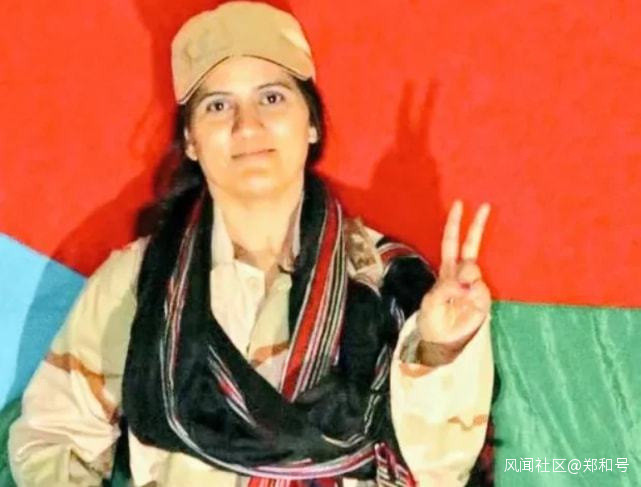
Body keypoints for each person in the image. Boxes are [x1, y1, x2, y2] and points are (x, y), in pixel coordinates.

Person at [8, 2, 494, 485]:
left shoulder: (387, 282)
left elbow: (440, 471)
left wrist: (439, 353)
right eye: (218, 106)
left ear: (311, 123)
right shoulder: (141, 285)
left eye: (272, 98)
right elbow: (53, 436)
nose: (247, 126)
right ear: (191, 140)